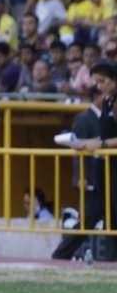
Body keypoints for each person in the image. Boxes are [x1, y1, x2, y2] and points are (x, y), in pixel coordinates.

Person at [54, 79, 116, 258]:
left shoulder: (105, 116)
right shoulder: (83, 118)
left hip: (106, 174)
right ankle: (61, 254)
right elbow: (79, 150)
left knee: (108, 218)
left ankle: (112, 256)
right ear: (97, 97)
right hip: (92, 178)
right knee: (88, 220)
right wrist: (82, 176)